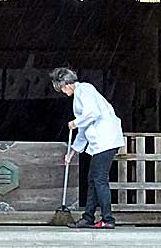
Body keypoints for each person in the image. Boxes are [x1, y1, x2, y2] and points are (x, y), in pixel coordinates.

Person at [51, 67, 124, 229]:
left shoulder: (85, 90)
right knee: (93, 179)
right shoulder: (79, 96)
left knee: (99, 180)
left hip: (106, 140)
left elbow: (93, 114)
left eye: (61, 87)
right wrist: (73, 151)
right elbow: (84, 129)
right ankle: (88, 218)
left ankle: (107, 219)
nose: (62, 91)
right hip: (101, 143)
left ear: (67, 84)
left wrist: (74, 123)